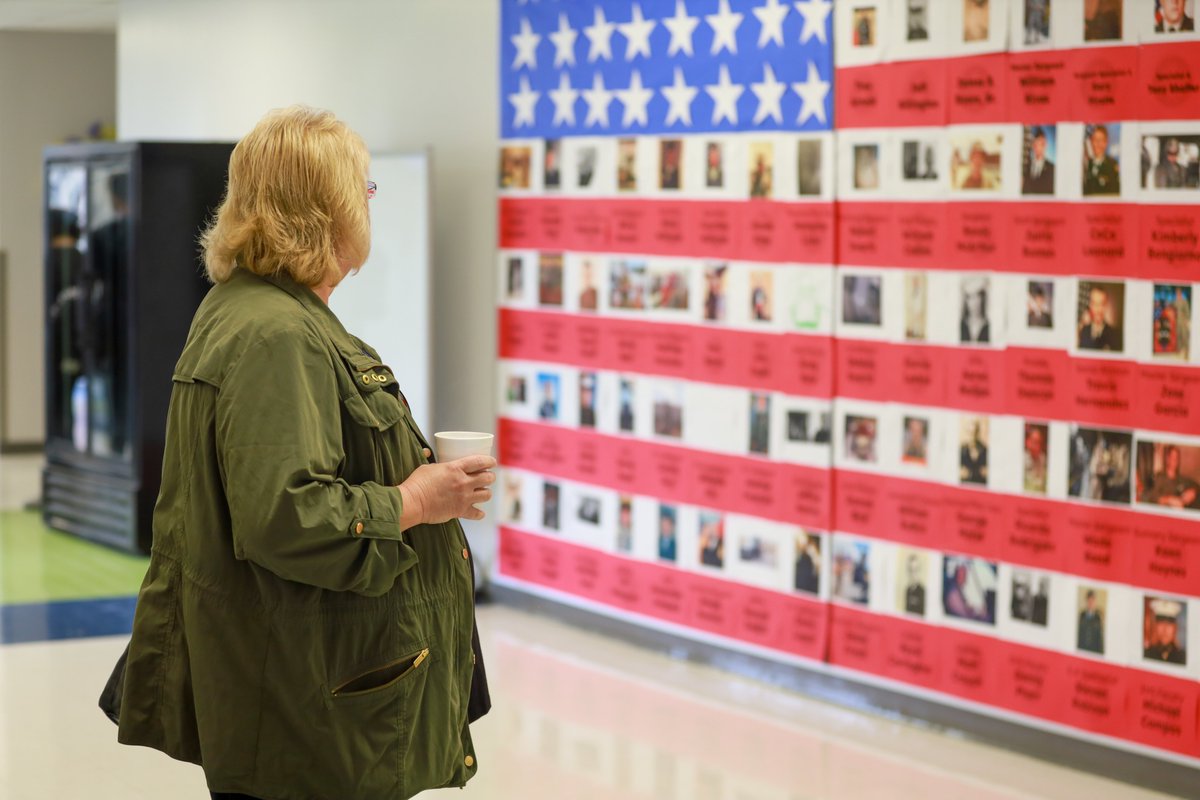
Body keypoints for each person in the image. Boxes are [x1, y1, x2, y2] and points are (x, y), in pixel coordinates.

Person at [109, 107, 494, 800]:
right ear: (326, 208)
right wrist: (418, 500)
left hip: (296, 678)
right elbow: (286, 516)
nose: (370, 205)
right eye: (363, 189)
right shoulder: (277, 334)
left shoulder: (255, 309)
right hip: (307, 702)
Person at [1143, 445, 1200, 509]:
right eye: (1172, 457)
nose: (1175, 460)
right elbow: (1149, 496)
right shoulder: (1159, 477)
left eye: (1177, 457)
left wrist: (1193, 492)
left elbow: (1196, 485)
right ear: (1167, 459)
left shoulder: (1181, 479)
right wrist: (1168, 500)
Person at [1078, 284, 1122, 351]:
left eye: (1101, 304)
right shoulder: (1083, 330)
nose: (1098, 309)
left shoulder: (1115, 335)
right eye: (1094, 303)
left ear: (1106, 306)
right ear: (1090, 305)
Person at [1144, 599, 1187, 664]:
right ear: (1155, 627)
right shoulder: (1146, 654)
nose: (1165, 629)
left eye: (1169, 625)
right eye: (1161, 624)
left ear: (1175, 628)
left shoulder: (1183, 657)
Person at [1083, 125, 1120, 196]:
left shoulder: (1112, 165)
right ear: (1091, 142)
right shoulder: (1087, 164)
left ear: (1106, 143)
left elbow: (1115, 193)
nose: (1097, 144)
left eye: (1100, 140)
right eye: (1095, 140)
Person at [1022, 127, 1055, 195]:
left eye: (1040, 144)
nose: (1036, 147)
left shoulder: (1052, 168)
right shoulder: (1025, 166)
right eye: (1035, 144)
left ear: (1045, 145)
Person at [960, 276, 990, 343]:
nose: (975, 303)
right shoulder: (961, 325)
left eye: (978, 296)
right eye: (970, 297)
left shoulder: (988, 326)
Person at [960, 420, 988, 485]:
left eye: (975, 432)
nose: (973, 436)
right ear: (968, 433)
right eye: (971, 432)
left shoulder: (984, 450)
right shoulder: (962, 450)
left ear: (978, 433)